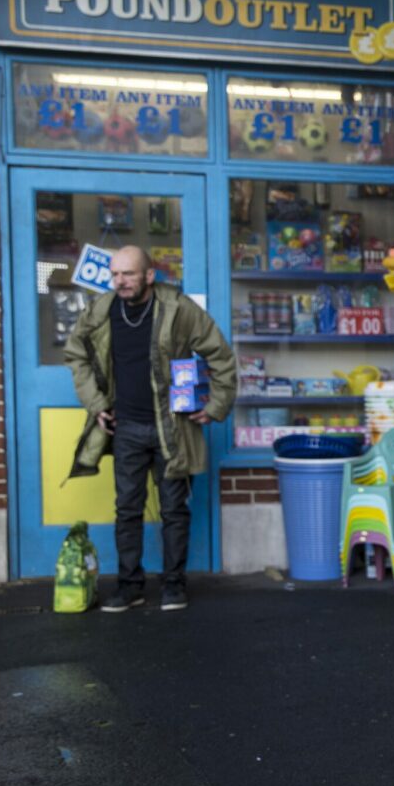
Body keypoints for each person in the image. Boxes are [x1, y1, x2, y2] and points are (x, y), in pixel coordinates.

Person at [64, 245, 236, 613]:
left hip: (170, 427)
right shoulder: (102, 308)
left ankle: (174, 585)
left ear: (149, 275)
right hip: (124, 428)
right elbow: (75, 351)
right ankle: (130, 586)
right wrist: (96, 403)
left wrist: (216, 404)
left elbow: (219, 354)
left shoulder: (178, 308)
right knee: (127, 509)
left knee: (174, 509)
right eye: (115, 274)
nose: (119, 281)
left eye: (128, 273)